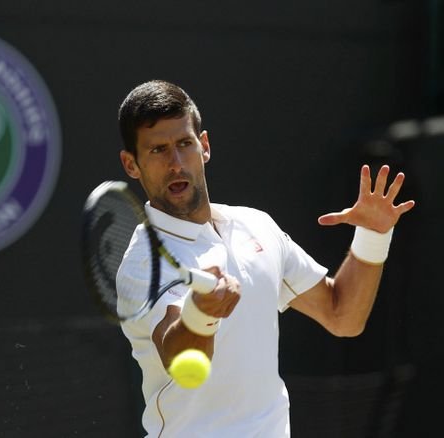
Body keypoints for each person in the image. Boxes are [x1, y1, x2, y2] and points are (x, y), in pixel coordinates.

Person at [115, 79, 415, 437]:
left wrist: (372, 236)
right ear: (131, 165)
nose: (176, 163)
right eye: (158, 151)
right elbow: (179, 358)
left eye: (184, 144)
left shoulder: (256, 226)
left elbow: (343, 315)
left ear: (204, 146)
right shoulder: (141, 262)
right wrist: (201, 314)